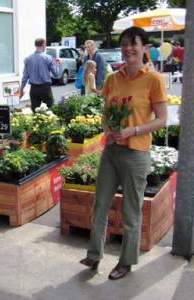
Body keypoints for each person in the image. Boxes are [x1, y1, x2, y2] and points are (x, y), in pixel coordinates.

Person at [79, 27, 167, 280]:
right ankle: (94, 255)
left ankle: (126, 261)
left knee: (131, 211)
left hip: (136, 153)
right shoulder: (113, 78)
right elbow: (106, 110)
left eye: (133, 44)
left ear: (145, 48)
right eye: (124, 44)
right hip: (111, 151)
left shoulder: (153, 79)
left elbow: (161, 119)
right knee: (100, 205)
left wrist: (132, 131)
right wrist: (108, 128)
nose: (128, 48)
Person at [20, 38, 60, 112]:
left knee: (35, 112)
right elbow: (56, 74)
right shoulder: (48, 58)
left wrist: (21, 89)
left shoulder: (28, 59)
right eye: (45, 44)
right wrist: (57, 65)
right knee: (49, 111)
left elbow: (25, 77)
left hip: (34, 88)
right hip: (45, 88)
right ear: (43, 44)